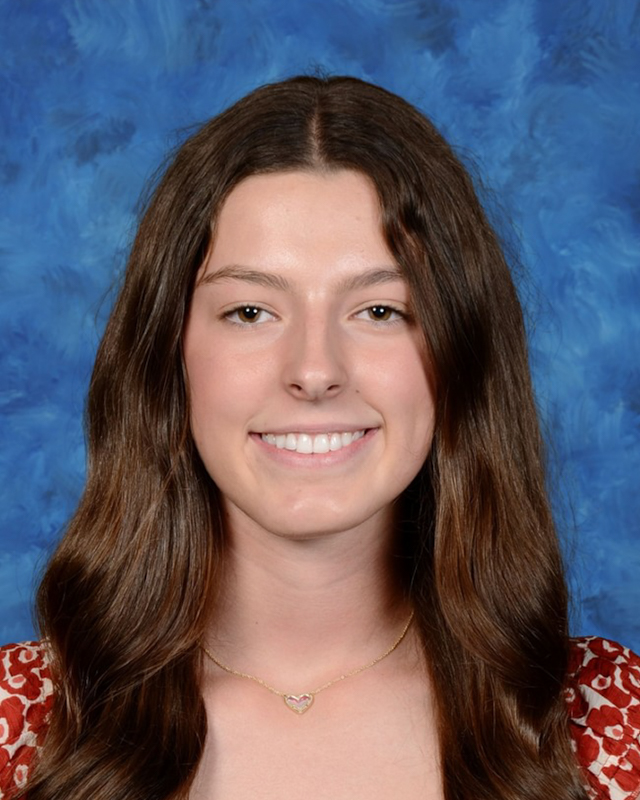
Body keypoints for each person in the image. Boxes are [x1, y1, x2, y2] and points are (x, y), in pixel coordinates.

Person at [0, 75, 638, 800]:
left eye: (379, 310)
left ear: (460, 354)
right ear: (168, 355)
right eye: (249, 311)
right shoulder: (18, 720)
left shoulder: (609, 721)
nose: (313, 371)